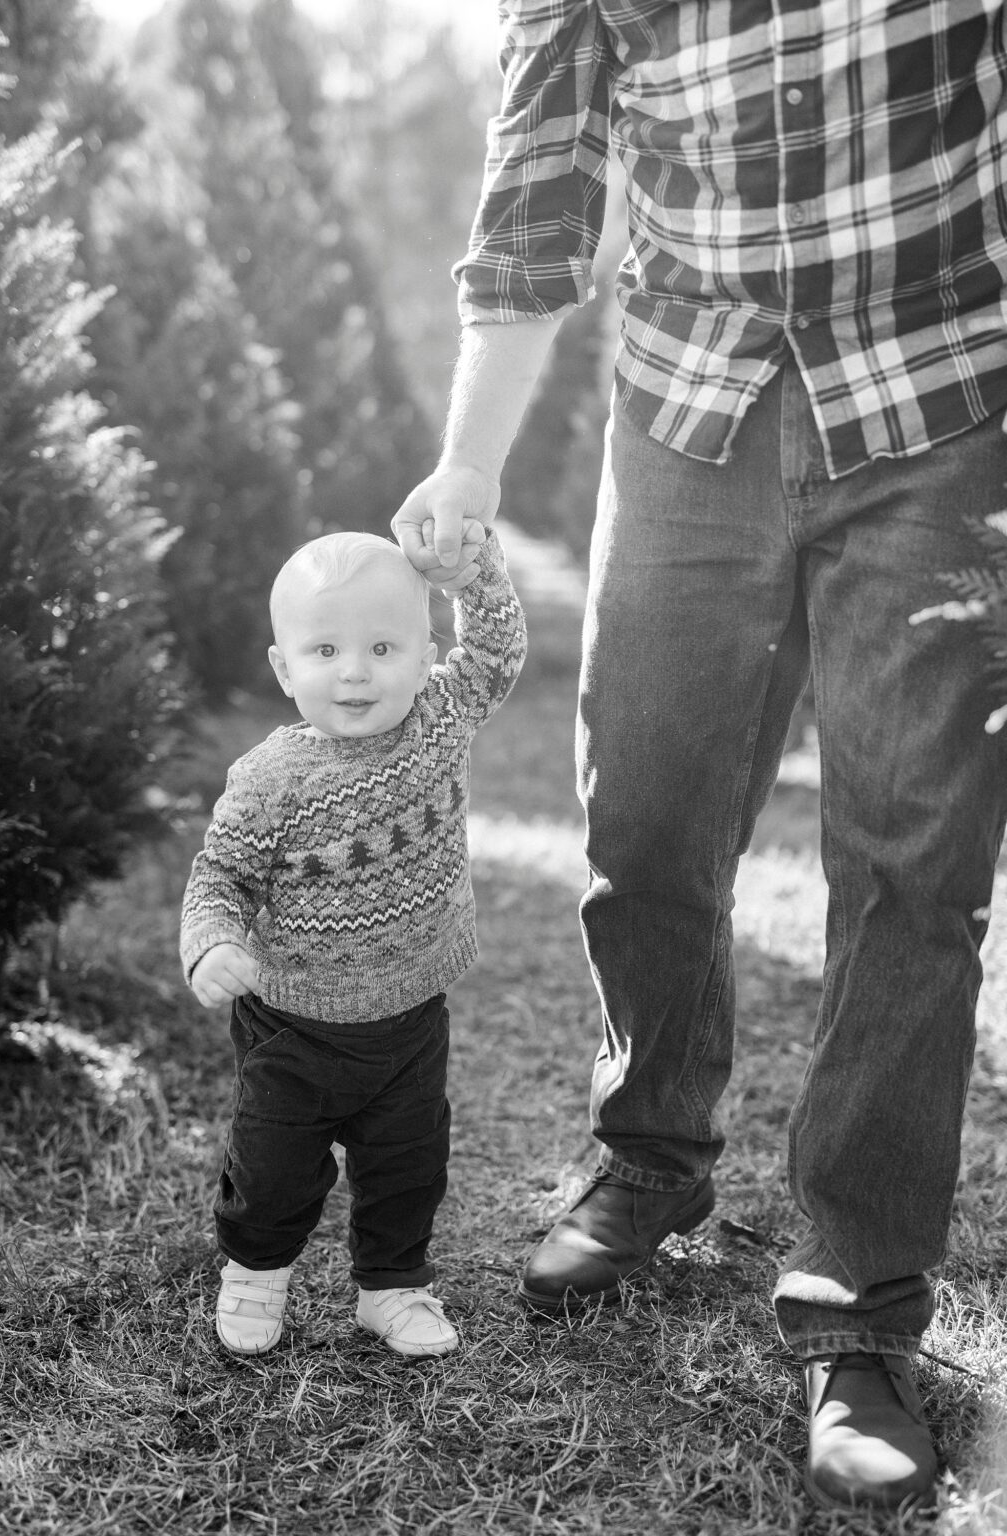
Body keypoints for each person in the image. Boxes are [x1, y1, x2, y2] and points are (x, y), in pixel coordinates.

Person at [392, 0, 1007, 1511]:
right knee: (648, 810)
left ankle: (858, 1301)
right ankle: (650, 1154)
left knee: (910, 860)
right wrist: (469, 465)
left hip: (944, 397)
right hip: (689, 408)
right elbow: (538, 194)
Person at [179, 523, 525, 1359]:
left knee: (408, 1167)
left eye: (382, 645)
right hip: (292, 1027)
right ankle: (255, 1276)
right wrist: (211, 941)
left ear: (423, 652)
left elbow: (497, 649)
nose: (356, 670)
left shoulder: (440, 718)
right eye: (326, 648)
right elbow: (218, 878)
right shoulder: (271, 779)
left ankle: (393, 1288)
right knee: (273, 1170)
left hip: (409, 1022)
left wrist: (477, 572)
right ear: (284, 668)